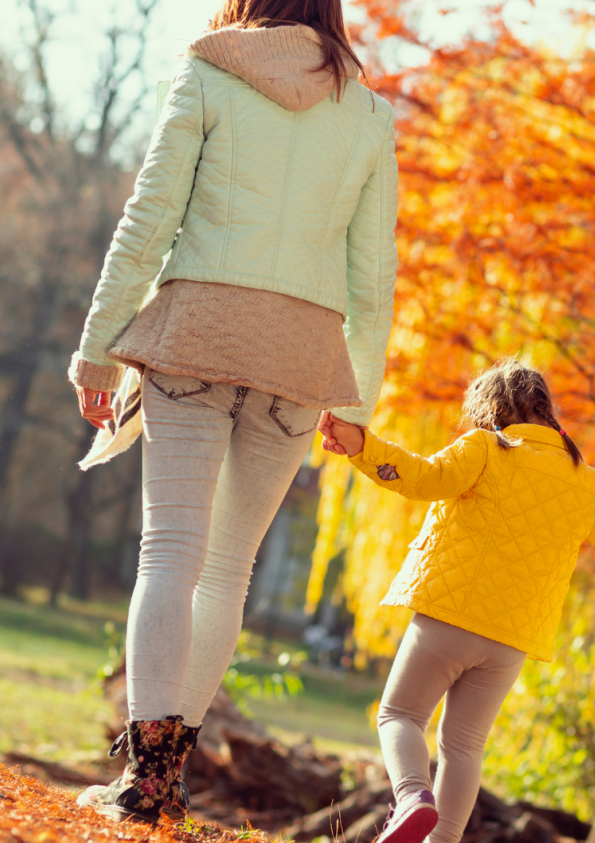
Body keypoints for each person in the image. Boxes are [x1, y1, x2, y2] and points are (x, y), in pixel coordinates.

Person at [65, 0, 398, 824]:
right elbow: (375, 273)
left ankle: (146, 782)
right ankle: (169, 773)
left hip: (200, 330)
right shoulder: (366, 111)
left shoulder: (210, 68)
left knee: (171, 550)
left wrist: (98, 344)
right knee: (229, 567)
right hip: (300, 357)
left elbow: (150, 219)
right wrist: (358, 397)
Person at [321, 360, 595, 843]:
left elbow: (423, 479)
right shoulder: (588, 482)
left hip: (450, 616)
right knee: (463, 747)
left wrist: (362, 447)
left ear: (490, 408)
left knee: (400, 715)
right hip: (510, 641)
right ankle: (441, 840)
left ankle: (410, 797)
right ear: (548, 412)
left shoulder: (486, 447)